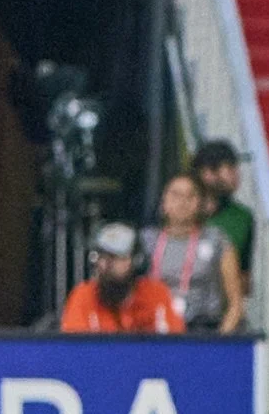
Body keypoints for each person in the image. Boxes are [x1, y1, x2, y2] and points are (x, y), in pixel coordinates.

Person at [141, 171, 242, 334]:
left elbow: (235, 303)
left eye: (191, 196)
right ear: (163, 201)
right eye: (176, 195)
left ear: (201, 202)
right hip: (154, 331)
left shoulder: (217, 240)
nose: (183, 202)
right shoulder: (146, 240)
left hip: (205, 331)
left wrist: (220, 341)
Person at [60, 221, 183, 334]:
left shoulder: (156, 294)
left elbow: (175, 345)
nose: (105, 265)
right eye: (101, 257)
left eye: (115, 258)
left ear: (137, 261)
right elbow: (75, 350)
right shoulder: (83, 295)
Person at [191, 139, 255, 273]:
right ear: (207, 172)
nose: (237, 175)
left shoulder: (243, 217)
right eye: (230, 168)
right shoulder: (183, 210)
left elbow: (245, 270)